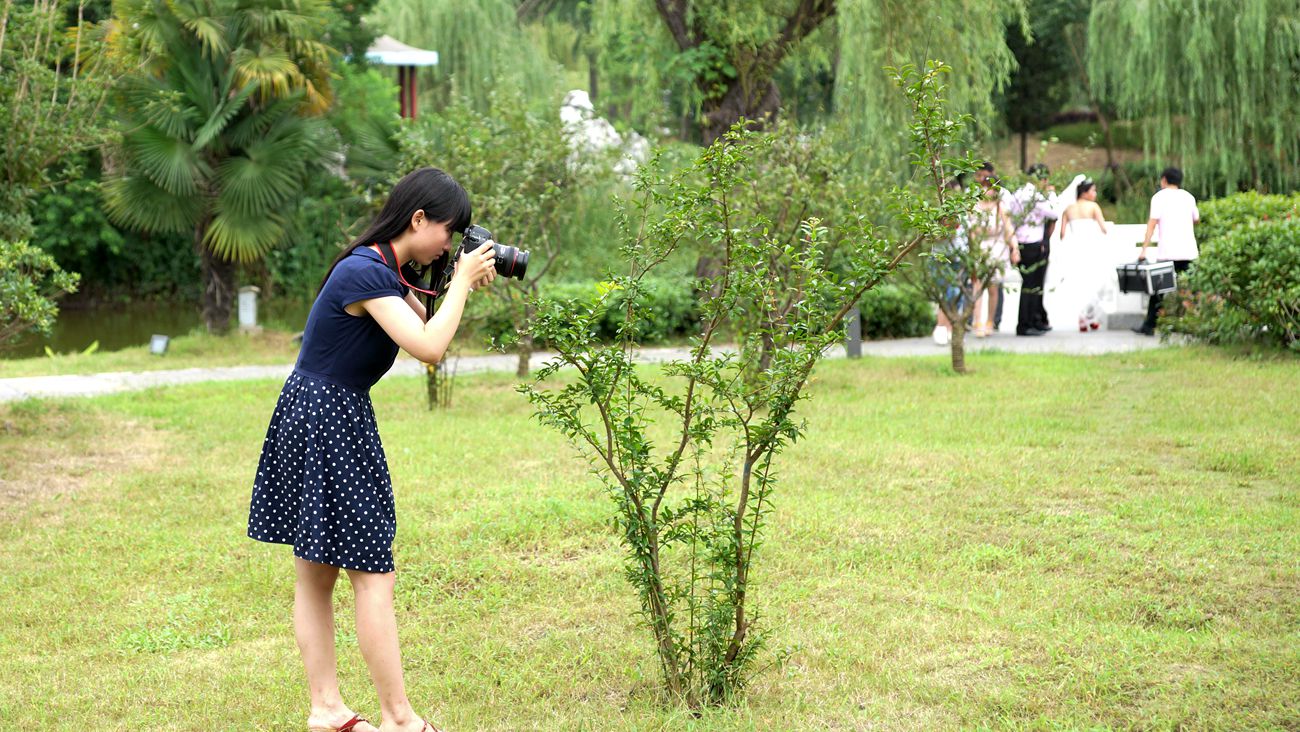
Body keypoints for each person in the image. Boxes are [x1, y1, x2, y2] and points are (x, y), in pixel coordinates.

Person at [247, 167, 498, 732]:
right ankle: (399, 719)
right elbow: (430, 350)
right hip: (329, 417)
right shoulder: (366, 271)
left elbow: (422, 324)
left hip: (320, 410)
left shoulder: (385, 268)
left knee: (317, 572)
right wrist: (458, 283)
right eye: (447, 231)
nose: (449, 243)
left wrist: (453, 280)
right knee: (368, 575)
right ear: (418, 220)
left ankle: (326, 710)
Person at [1133, 166, 1199, 335]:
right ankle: (1198, 323)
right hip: (1188, 251)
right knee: (1193, 289)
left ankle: (1149, 326)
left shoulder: (1159, 198)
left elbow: (1152, 224)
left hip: (1167, 252)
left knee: (1158, 292)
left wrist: (1144, 250)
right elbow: (1196, 219)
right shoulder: (1189, 197)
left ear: (1164, 180)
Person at [1004, 163, 1059, 336]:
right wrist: (1051, 193)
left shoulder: (1018, 193)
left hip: (1020, 243)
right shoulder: (1034, 196)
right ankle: (1025, 325)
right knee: (1031, 286)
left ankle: (1032, 321)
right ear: (1041, 179)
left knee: (1030, 285)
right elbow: (1054, 212)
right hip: (1032, 245)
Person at [1057, 178, 1113, 331]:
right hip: (1091, 249)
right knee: (1093, 282)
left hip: (1075, 250)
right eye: (1093, 191)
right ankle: (1091, 317)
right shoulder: (1093, 207)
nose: (1095, 194)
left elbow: (1062, 234)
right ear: (1085, 192)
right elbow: (1104, 229)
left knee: (1079, 283)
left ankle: (1082, 318)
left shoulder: (1068, 209)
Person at [969, 178, 1020, 338]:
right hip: (980, 247)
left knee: (993, 287)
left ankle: (990, 321)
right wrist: (973, 249)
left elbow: (1009, 228)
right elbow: (971, 231)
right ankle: (977, 322)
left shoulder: (1000, 208)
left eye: (988, 188)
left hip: (997, 247)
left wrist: (1015, 247)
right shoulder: (973, 208)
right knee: (977, 286)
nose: (986, 191)